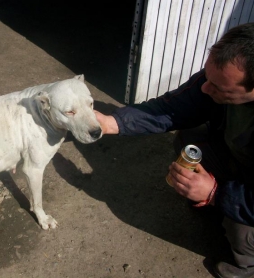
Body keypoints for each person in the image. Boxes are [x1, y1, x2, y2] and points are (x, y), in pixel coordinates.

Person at [95, 22, 254, 278]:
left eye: (219, 88)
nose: (205, 88)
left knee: (244, 230)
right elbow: (174, 108)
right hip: (241, 163)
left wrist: (215, 193)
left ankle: (248, 267)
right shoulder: (217, 78)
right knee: (190, 141)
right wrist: (113, 122)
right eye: (207, 76)